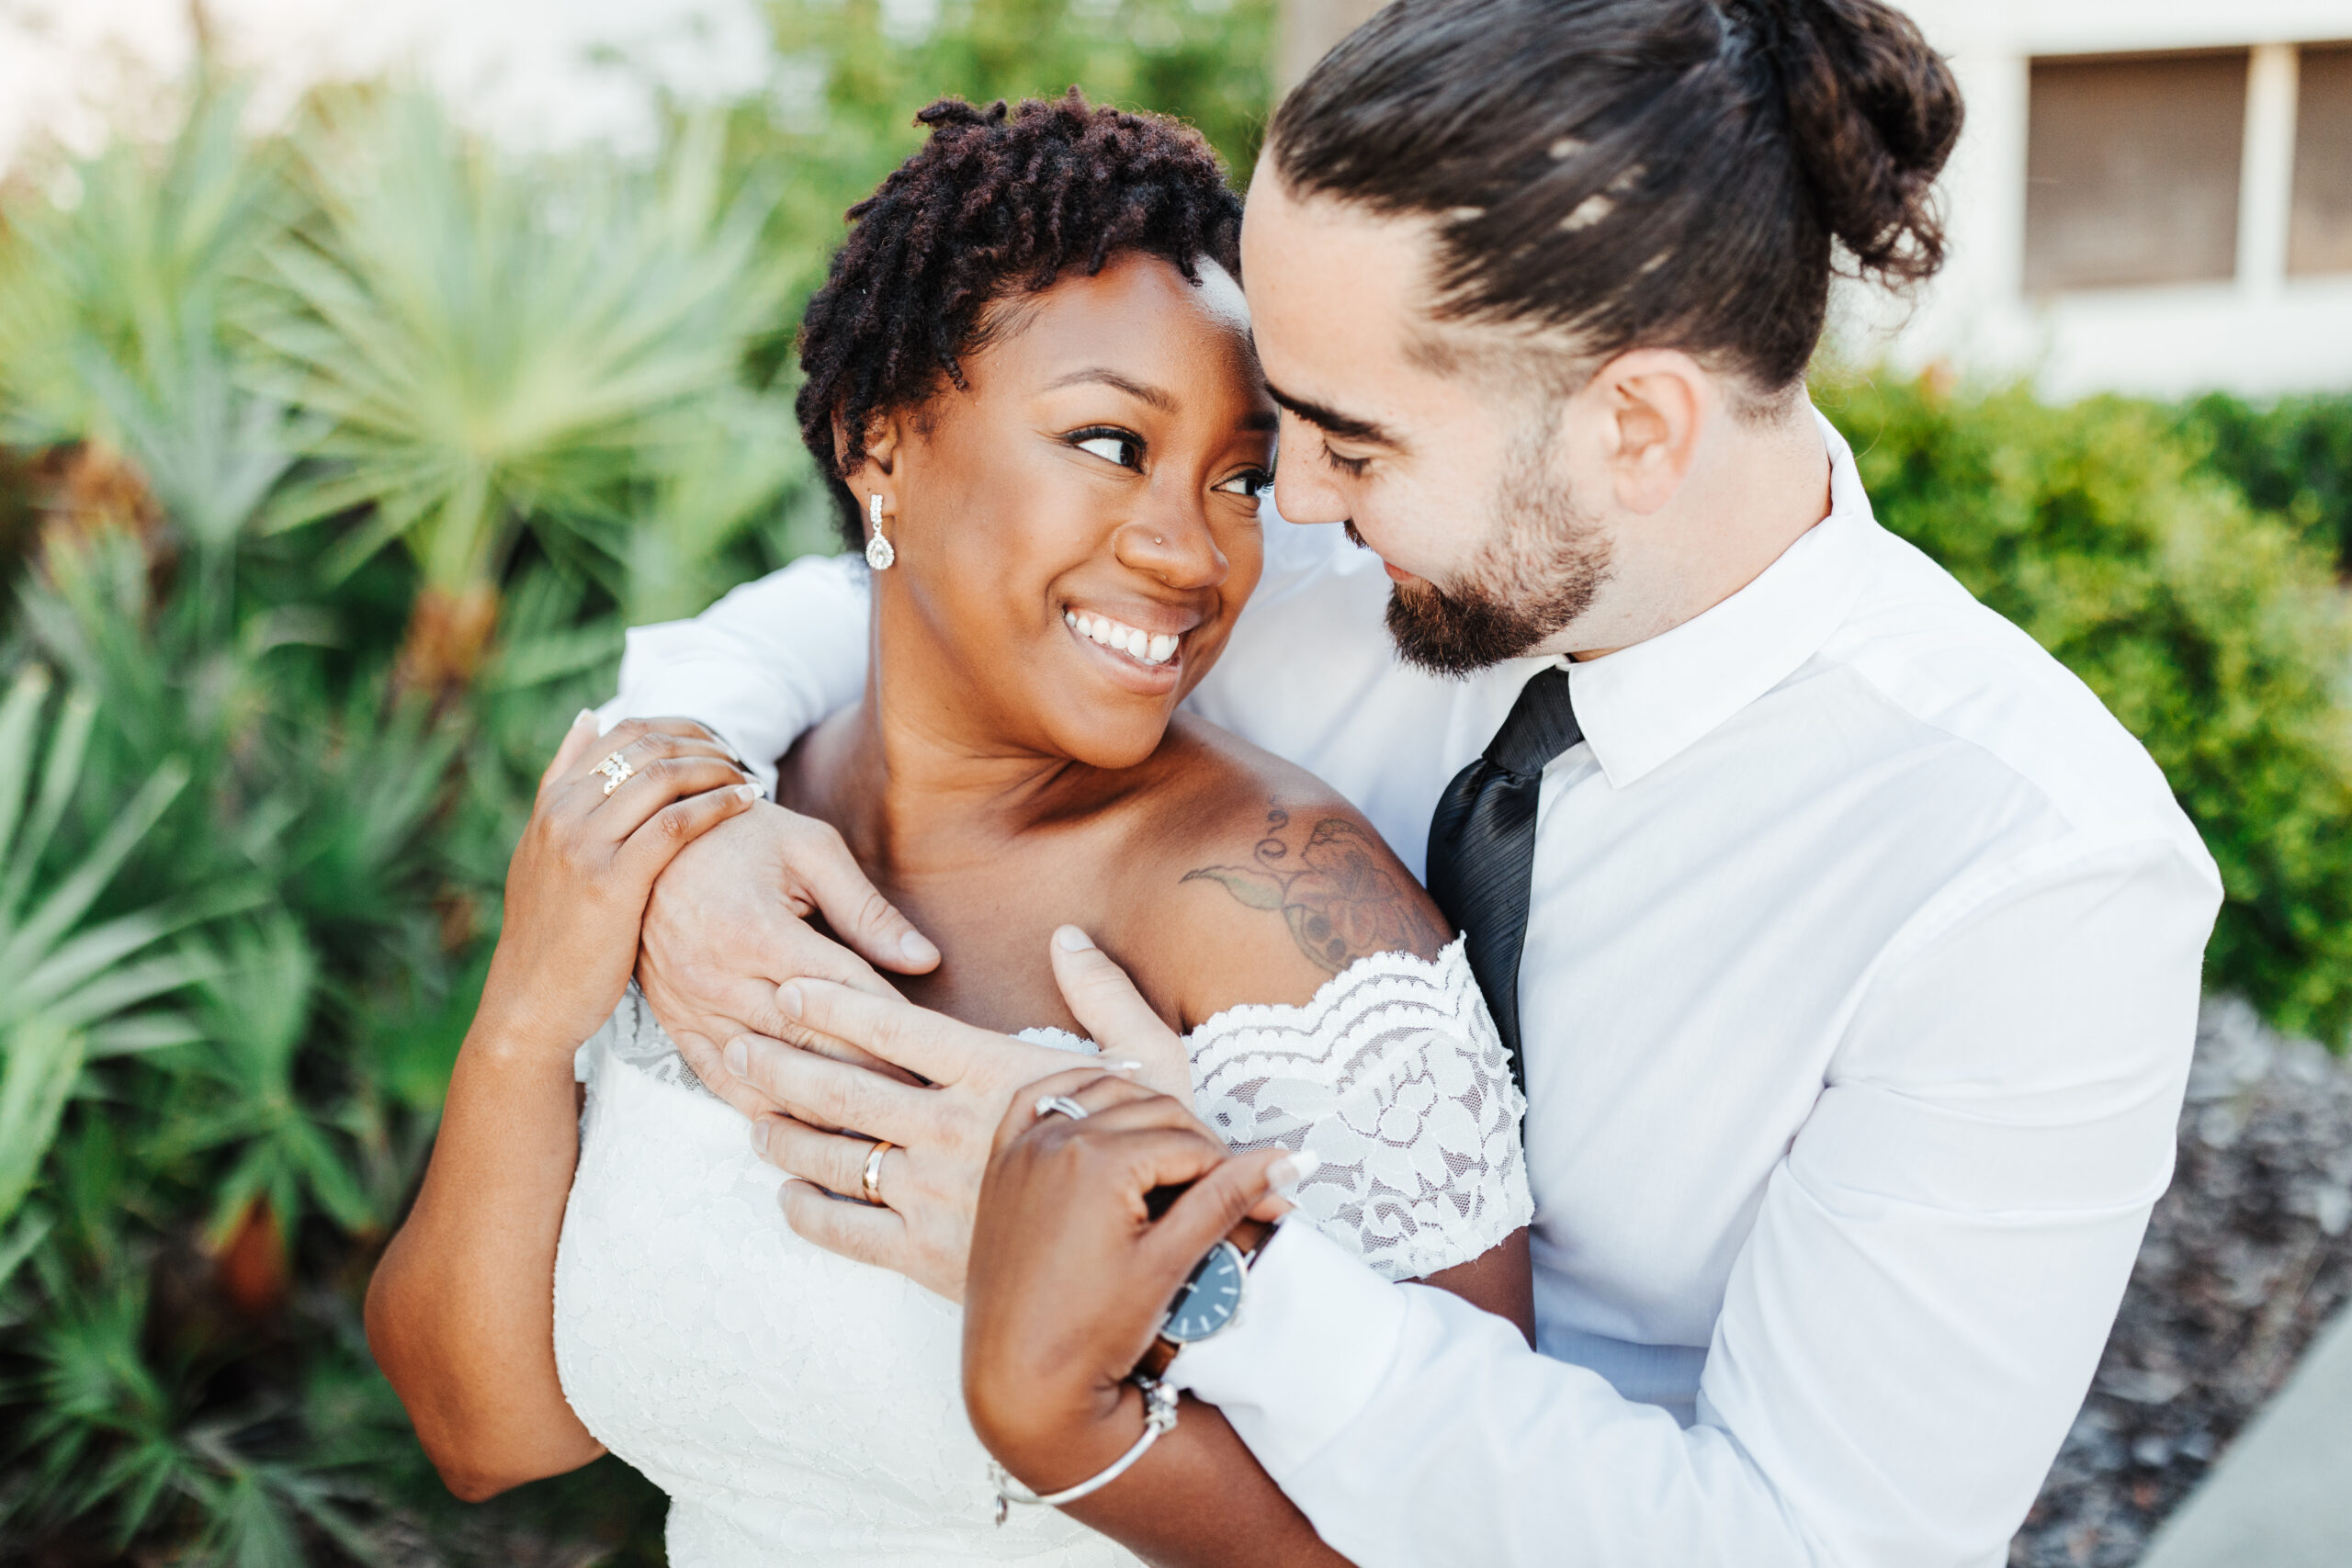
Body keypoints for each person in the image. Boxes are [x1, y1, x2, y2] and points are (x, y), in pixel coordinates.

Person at [600, 2, 2228, 1566]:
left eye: (1346, 441)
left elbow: (1801, 1547)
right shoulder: (1339, 550)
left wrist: (1197, 1273)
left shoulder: (2030, 877)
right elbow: (898, 603)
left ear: (1638, 429)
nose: (1283, 497)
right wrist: (693, 817)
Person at [365, 92, 1535, 1568]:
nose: (1190, 550)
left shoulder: (1279, 918)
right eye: (1111, 442)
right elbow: (490, 1431)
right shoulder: (700, 847)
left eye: (1239, 478)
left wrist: (1105, 1361)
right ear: (879, 442)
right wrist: (530, 1019)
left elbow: (1479, 1532)